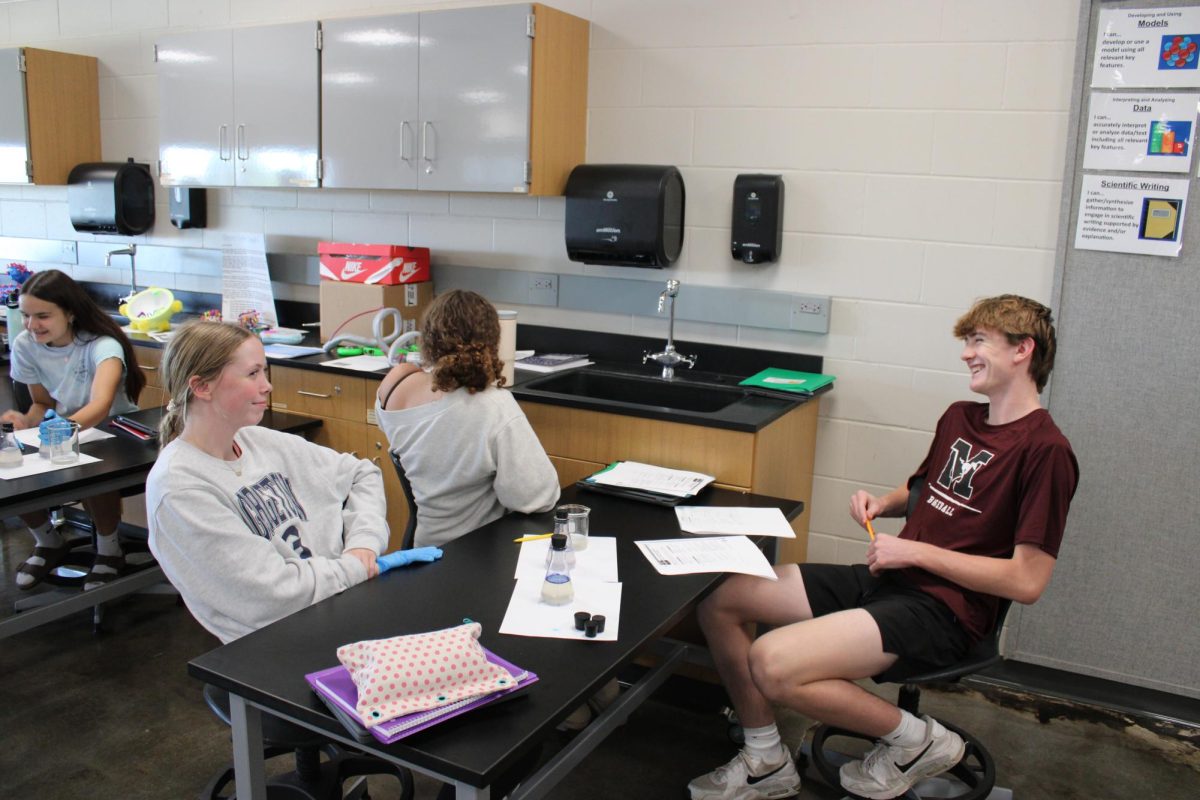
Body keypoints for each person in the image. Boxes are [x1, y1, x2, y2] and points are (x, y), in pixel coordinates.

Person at [688, 295, 1079, 800]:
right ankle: (765, 758)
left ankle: (918, 740)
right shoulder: (960, 417)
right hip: (889, 578)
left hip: (945, 611)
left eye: (978, 340)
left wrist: (915, 554)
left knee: (772, 662)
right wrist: (883, 503)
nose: (966, 353)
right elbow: (923, 493)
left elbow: (1028, 581)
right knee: (722, 599)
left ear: (1023, 349)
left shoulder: (1046, 451)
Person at [146, 321, 390, 644]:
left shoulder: (256, 441)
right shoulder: (179, 488)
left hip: (340, 607)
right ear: (201, 387)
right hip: (279, 645)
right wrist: (354, 569)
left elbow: (362, 474)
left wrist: (362, 545)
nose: (267, 386)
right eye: (253, 374)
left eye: (265, 371)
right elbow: (275, 596)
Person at [375, 289, 560, 548]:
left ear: (428, 338)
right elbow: (536, 497)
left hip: (423, 550)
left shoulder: (396, 385)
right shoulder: (494, 406)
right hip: (475, 556)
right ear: (491, 342)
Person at [3, 269, 146, 591]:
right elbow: (41, 403)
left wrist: (63, 428)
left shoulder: (102, 345)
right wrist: (26, 422)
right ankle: (48, 541)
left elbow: (102, 403)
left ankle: (110, 551)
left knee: (94, 472)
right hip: (69, 430)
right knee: (12, 469)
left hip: (117, 432)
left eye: (42, 316)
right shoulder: (26, 344)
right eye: (26, 315)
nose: (31, 325)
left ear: (69, 313)